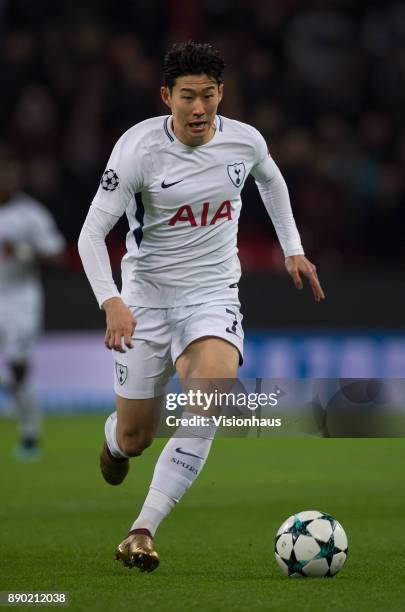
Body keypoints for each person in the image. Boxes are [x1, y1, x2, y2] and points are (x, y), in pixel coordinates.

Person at [78, 41, 325, 572]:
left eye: (208, 96)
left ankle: (141, 531)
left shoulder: (244, 141)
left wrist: (293, 250)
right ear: (166, 95)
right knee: (135, 436)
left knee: (211, 396)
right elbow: (91, 235)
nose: (198, 109)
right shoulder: (137, 149)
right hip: (144, 304)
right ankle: (114, 442)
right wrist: (112, 301)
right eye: (187, 96)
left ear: (221, 94)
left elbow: (272, 181)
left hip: (212, 296)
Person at [0, 145, 66, 460]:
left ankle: (29, 433)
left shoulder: (31, 214)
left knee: (17, 365)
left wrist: (25, 252)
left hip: (20, 298)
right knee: (13, 372)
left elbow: (57, 254)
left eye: (11, 175)